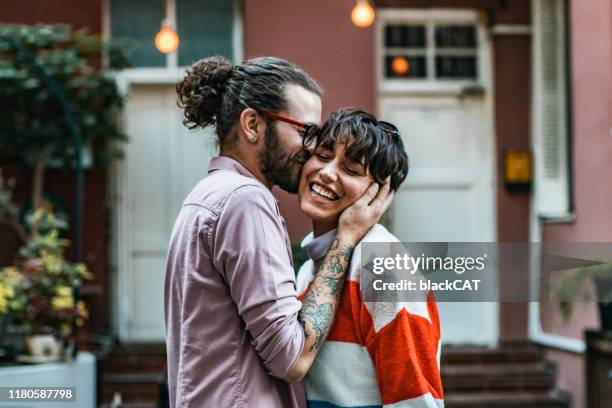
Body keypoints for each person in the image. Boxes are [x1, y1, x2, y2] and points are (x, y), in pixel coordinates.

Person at [164, 57, 394, 408]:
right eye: (306, 132)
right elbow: (293, 358)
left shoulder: (205, 196)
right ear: (253, 124)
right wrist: (345, 239)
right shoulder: (246, 201)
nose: (311, 150)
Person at [296, 108, 444, 408]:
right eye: (323, 156)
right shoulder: (308, 270)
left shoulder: (383, 264)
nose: (327, 172)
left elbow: (415, 400)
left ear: (379, 193)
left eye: (351, 170)